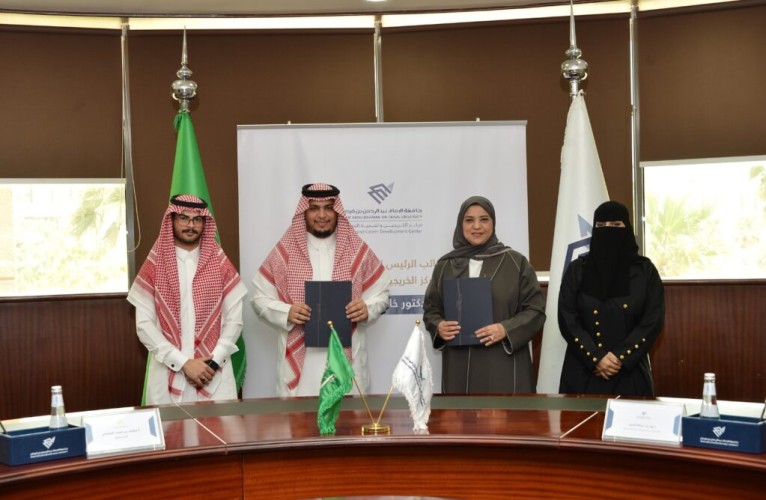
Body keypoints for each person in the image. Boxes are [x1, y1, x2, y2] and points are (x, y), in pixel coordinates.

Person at [251, 183, 390, 397]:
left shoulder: (357, 251)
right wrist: (287, 312)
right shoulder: (284, 253)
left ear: (337, 211)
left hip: (348, 360)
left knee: (348, 417)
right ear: (304, 212)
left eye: (329, 208)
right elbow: (259, 299)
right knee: (300, 418)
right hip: (301, 365)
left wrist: (367, 308)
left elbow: (381, 294)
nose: (322, 215)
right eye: (314, 208)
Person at [128, 194, 248, 404]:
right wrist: (183, 363)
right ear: (172, 220)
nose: (191, 225)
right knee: (170, 426)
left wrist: (212, 363)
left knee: (220, 426)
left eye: (197, 219)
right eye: (184, 218)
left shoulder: (221, 265)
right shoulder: (154, 266)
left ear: (204, 222)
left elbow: (235, 321)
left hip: (215, 374)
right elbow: (144, 325)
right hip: (167, 371)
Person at [422, 196, 546, 394]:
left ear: (493, 223)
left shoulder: (516, 263)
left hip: (503, 364)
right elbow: (431, 309)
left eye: (484, 219)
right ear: (460, 224)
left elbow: (535, 310)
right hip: (459, 368)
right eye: (469, 220)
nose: (477, 226)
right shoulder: (444, 266)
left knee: (505, 413)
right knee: (461, 413)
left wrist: (506, 329)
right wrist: (439, 326)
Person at [558, 200, 665, 396]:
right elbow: (567, 318)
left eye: (616, 225)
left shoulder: (645, 272)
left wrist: (619, 357)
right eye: (601, 225)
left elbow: (652, 321)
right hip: (583, 371)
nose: (608, 230)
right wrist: (595, 357)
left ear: (627, 228)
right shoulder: (577, 270)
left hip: (630, 373)